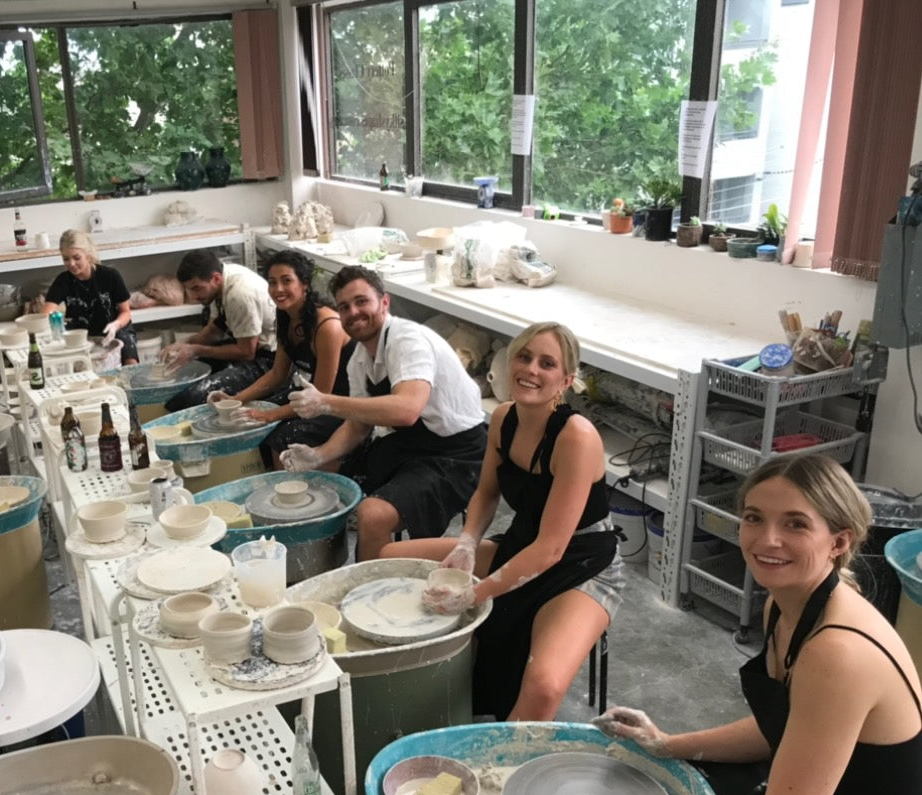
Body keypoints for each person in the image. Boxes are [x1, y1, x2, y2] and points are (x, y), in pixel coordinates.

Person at [580, 453, 922, 795]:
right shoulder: (786, 608)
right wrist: (668, 744)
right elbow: (780, 727)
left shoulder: (838, 652)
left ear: (839, 541)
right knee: (662, 787)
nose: (767, 540)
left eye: (796, 524)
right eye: (754, 518)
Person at [382, 321, 625, 720]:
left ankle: (500, 771)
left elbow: (552, 550)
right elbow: (487, 492)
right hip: (523, 543)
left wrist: (475, 595)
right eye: (525, 357)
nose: (531, 370)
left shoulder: (576, 437)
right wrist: (467, 541)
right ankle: (423, 698)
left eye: (546, 364)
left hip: (583, 564)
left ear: (565, 380)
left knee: (543, 687)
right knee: (392, 557)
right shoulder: (502, 418)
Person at [279, 265, 486, 561]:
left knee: (372, 514)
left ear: (384, 302)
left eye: (362, 301)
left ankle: (371, 587)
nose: (353, 312)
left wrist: (326, 402)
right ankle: (370, 560)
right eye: (344, 307)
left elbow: (407, 410)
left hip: (457, 453)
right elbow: (358, 425)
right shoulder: (361, 359)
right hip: (411, 445)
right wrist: (318, 455)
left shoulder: (407, 340)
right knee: (339, 485)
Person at [207, 250, 353, 468]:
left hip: (343, 402)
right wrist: (235, 399)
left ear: (304, 284)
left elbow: (322, 395)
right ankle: (265, 478)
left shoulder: (327, 326)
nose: (278, 289)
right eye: (272, 282)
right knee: (251, 416)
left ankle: (285, 490)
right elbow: (276, 375)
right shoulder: (286, 315)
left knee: (281, 435)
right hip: (315, 395)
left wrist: (270, 416)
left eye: (287, 281)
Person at [162, 249, 276, 411]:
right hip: (249, 345)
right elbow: (214, 330)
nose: (193, 296)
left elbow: (246, 352)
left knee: (190, 400)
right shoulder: (223, 278)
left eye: (196, 288)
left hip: (270, 359)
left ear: (216, 278)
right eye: (188, 289)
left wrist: (196, 350)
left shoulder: (239, 295)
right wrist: (184, 344)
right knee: (183, 371)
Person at [42, 230, 138, 365]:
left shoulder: (110, 276)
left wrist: (116, 325)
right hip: (81, 333)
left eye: (76, 258)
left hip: (113, 328)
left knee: (130, 360)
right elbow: (45, 314)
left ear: (88, 255)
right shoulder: (62, 281)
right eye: (66, 259)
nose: (71, 264)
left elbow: (125, 312)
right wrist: (56, 325)